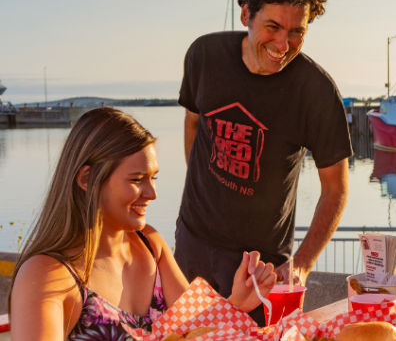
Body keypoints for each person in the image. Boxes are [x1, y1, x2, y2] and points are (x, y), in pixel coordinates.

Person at [177, 0, 352, 325]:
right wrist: (202, 192)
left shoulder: (316, 92)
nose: (282, 44)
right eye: (272, 27)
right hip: (191, 243)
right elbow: (193, 122)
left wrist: (301, 264)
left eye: (296, 32)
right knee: (184, 335)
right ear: (246, 14)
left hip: (260, 266)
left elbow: (335, 188)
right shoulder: (204, 56)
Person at [9, 108, 277, 341]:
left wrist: (236, 304)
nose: (152, 193)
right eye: (137, 180)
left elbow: (197, 331)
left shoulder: (150, 244)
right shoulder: (46, 275)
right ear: (88, 179)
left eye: (154, 178)